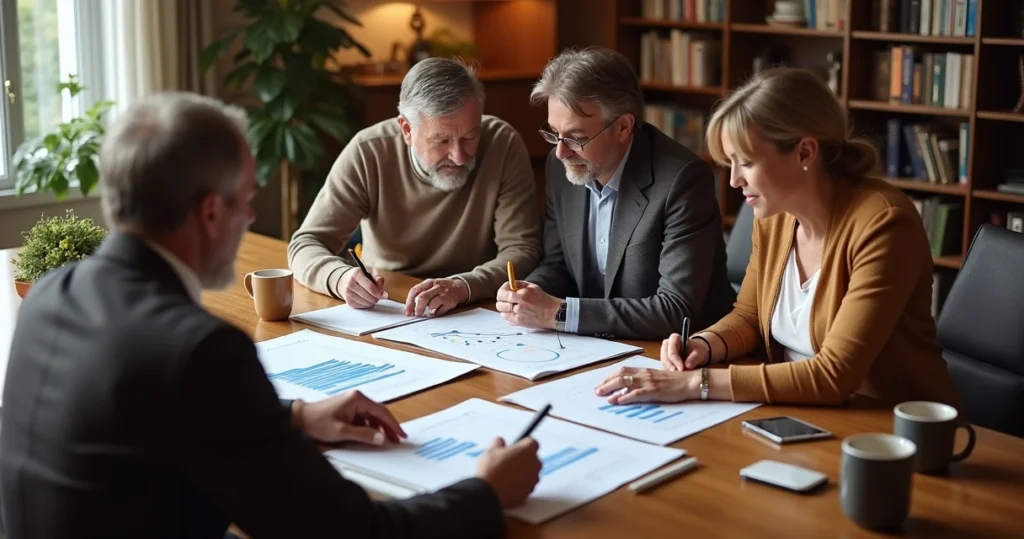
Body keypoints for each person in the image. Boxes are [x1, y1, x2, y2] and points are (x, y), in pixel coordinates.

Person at [0, 92, 541, 539]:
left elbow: (150, 413)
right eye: (246, 199)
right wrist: (486, 494)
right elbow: (350, 532)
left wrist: (296, 418)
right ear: (211, 212)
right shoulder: (201, 350)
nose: (252, 217)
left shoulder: (50, 292)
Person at [594, 67, 962, 408]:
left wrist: (695, 384)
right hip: (800, 413)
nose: (735, 180)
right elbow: (750, 316)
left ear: (804, 151)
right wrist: (702, 346)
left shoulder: (883, 223)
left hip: (890, 426)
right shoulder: (774, 214)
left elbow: (834, 375)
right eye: (730, 163)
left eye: (747, 162)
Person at [496, 47, 736, 340]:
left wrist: (558, 313)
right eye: (553, 133)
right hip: (592, 346)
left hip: (677, 353)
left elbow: (676, 310)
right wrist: (528, 294)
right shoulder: (560, 166)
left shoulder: (682, 180)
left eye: (575, 137)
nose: (560, 152)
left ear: (623, 126)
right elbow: (558, 265)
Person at [288, 57, 542, 319]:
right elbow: (306, 243)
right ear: (407, 129)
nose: (458, 155)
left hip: (474, 308)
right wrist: (340, 278)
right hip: (390, 305)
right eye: (441, 140)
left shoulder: (502, 143)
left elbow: (522, 250)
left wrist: (463, 286)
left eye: (470, 136)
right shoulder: (369, 152)